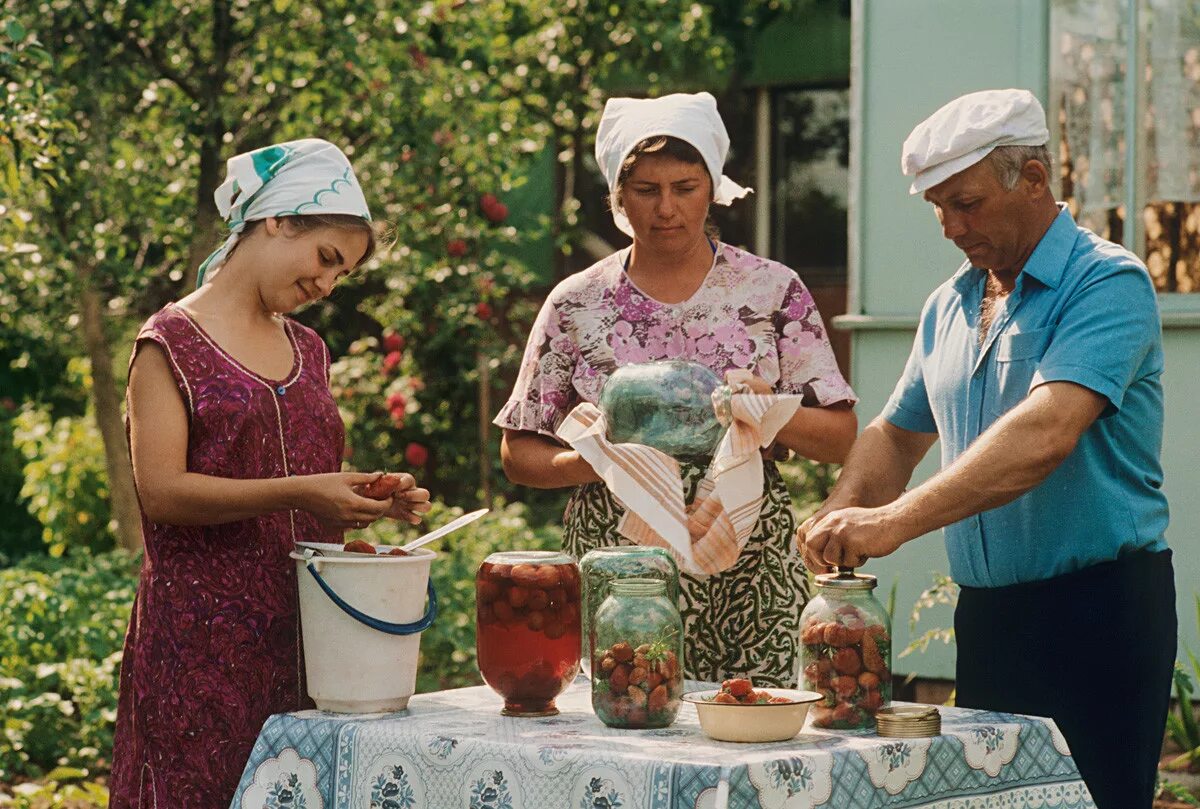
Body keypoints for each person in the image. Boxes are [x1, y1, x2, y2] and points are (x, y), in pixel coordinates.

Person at [796, 89, 1174, 808]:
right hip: (992, 619)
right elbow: (896, 432)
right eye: (936, 205)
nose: (949, 225)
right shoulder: (950, 303)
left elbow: (1046, 432)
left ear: (1033, 179)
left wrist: (890, 523)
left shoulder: (1107, 282)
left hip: (1098, 612)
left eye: (964, 203)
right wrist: (842, 507)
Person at [109, 138, 432, 808]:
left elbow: (309, 477)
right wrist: (302, 491)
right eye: (326, 258)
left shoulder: (309, 350)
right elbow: (161, 492)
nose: (327, 284)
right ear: (280, 219)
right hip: (199, 649)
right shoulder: (168, 342)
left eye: (342, 273)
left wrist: (367, 496)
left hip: (313, 646)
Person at [496, 92, 858, 687]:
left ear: (713, 187)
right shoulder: (578, 304)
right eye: (645, 189)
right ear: (617, 193)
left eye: (685, 187)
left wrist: (765, 412)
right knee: (627, 708)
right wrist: (610, 464)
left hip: (748, 556)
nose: (666, 208)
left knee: (754, 725)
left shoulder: (770, 291)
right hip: (620, 559)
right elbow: (519, 453)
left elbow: (840, 436)